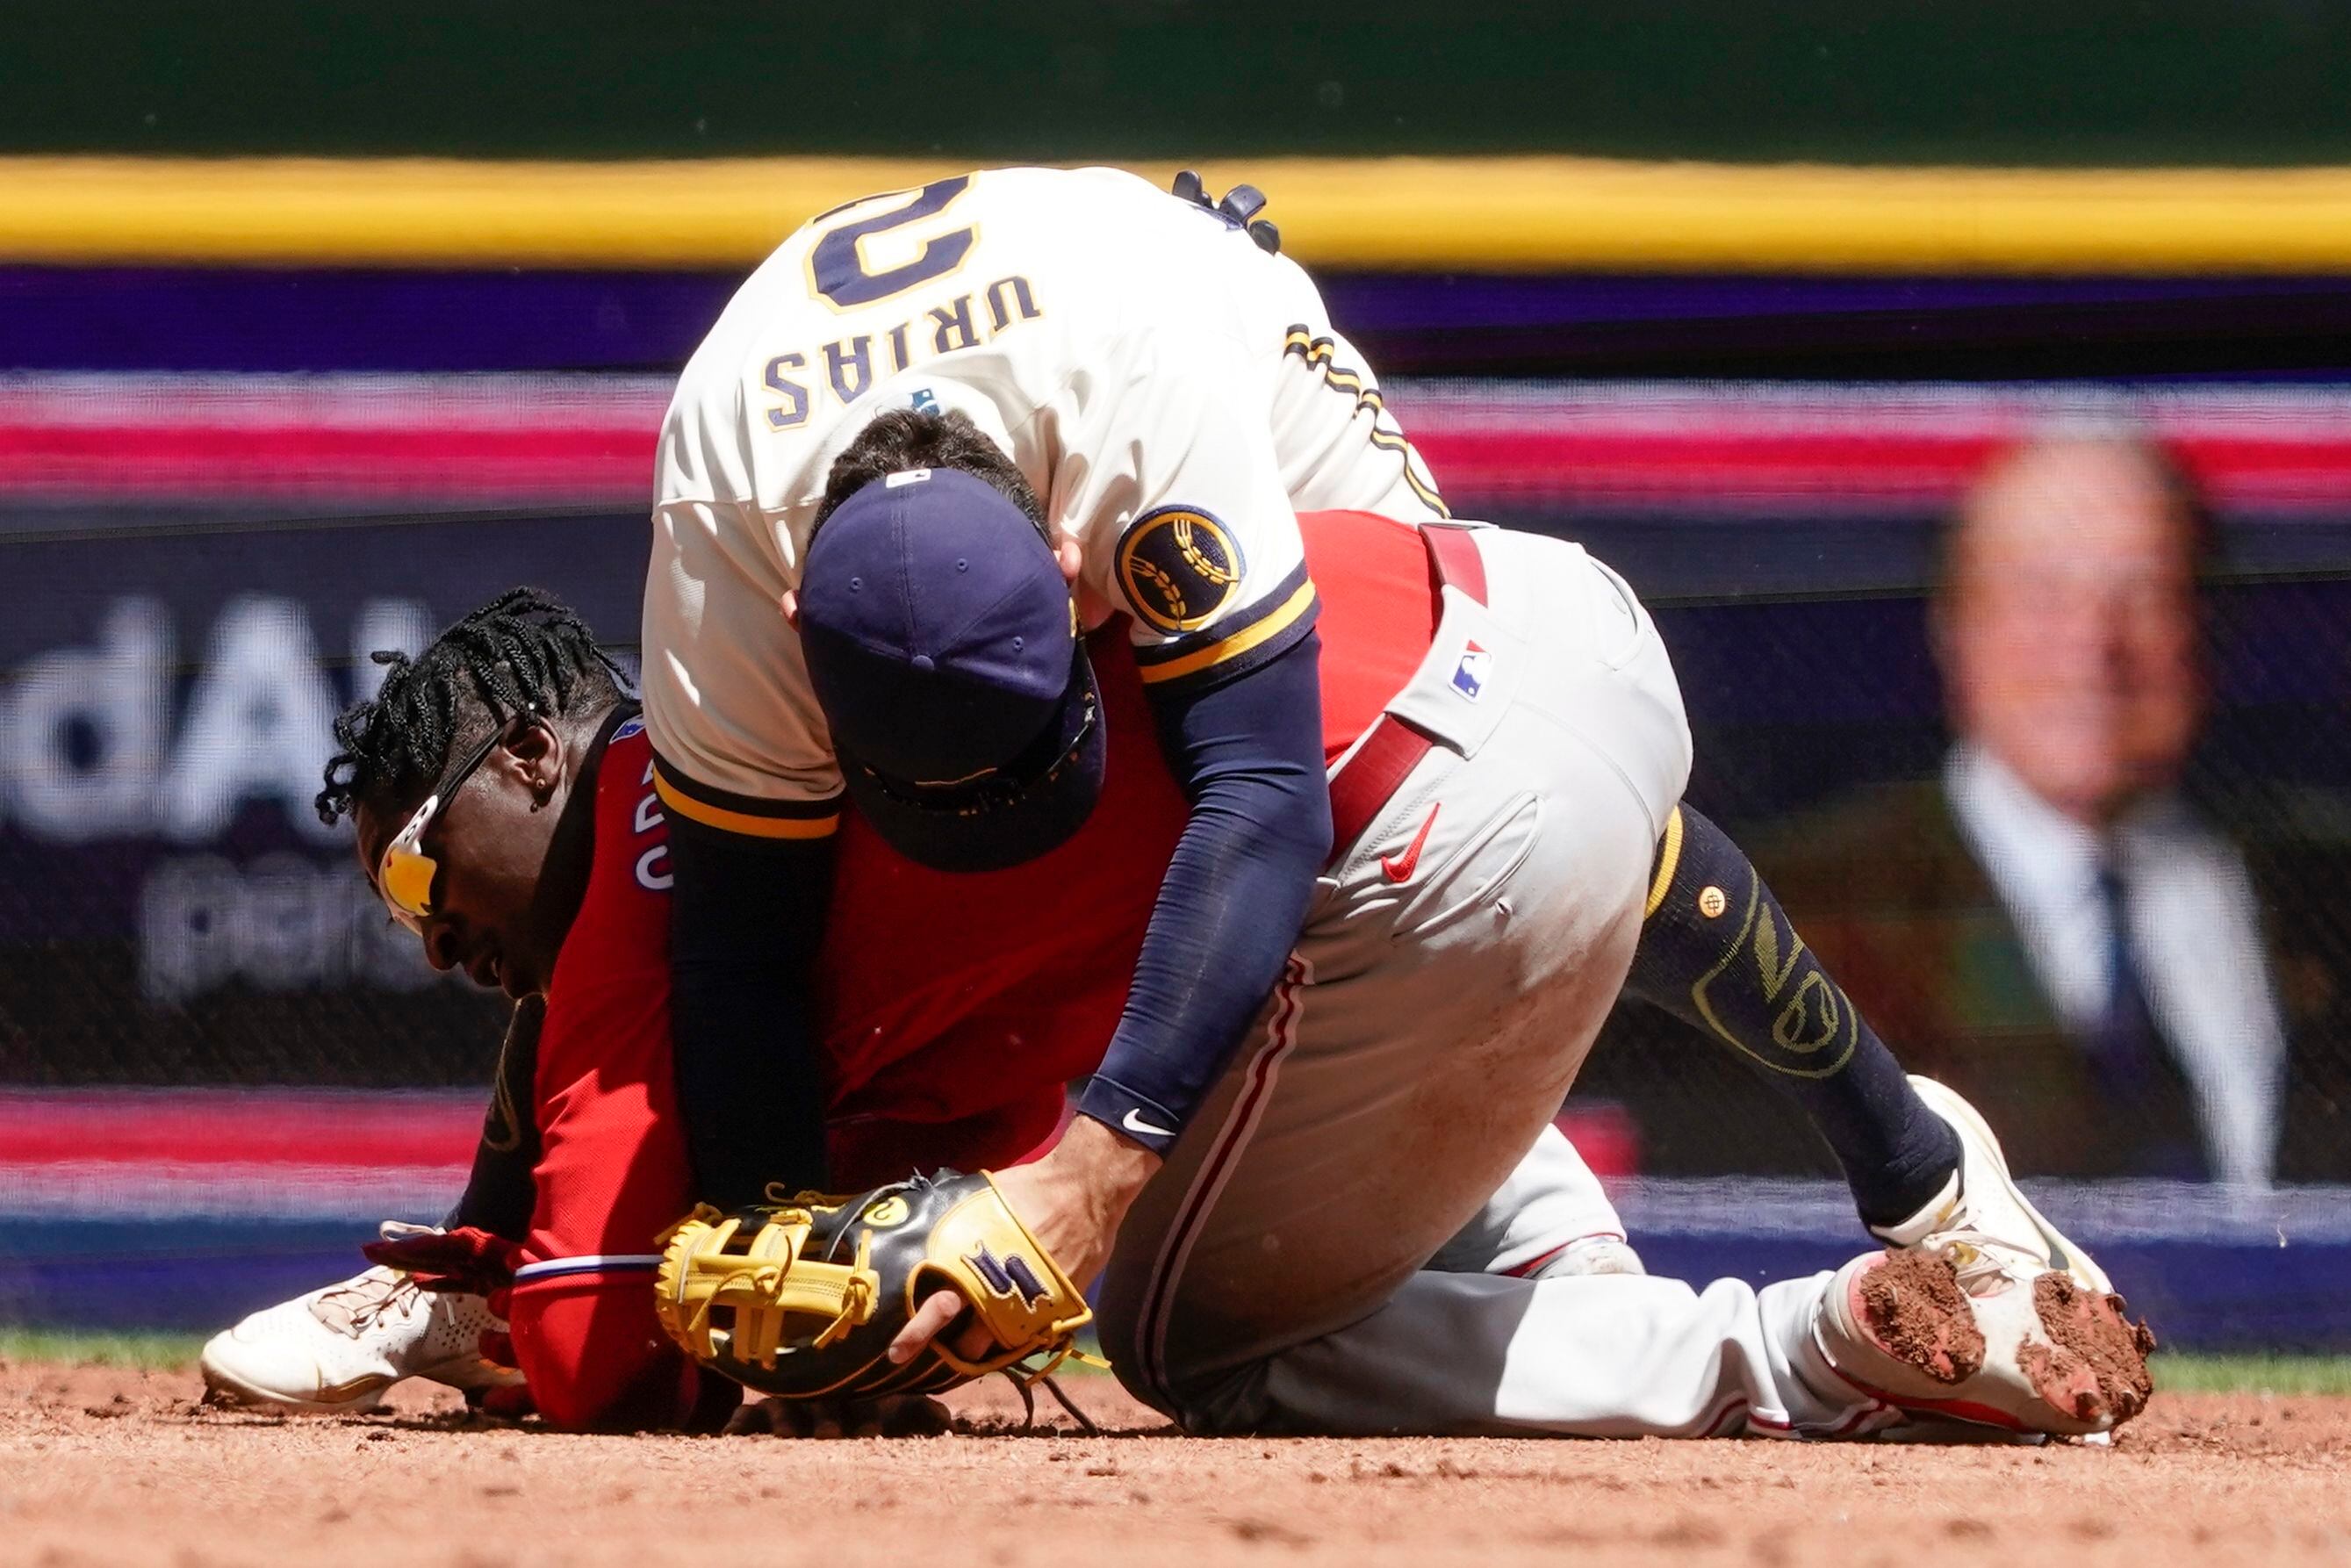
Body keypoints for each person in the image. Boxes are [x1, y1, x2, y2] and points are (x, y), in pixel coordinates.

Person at [208, 584, 2147, 1436]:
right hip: (1528, 639)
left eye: (414, 869)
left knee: (1180, 1322)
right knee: (1258, 1001)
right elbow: (1640, 848)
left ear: (545, 748)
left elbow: (601, 1345)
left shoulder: (650, 833)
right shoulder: (1119, 531)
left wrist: (503, 1313)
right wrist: (1900, 1137)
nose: (429, 931)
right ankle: (1698, 1257)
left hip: (1350, 903)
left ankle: (1795, 1348)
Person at [1749, 433, 2351, 1185]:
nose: (2092, 648)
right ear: (1955, 625)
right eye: (2043, 595)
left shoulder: (2321, 886)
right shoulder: (1793, 915)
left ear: (2209, 625)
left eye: (2145, 594)